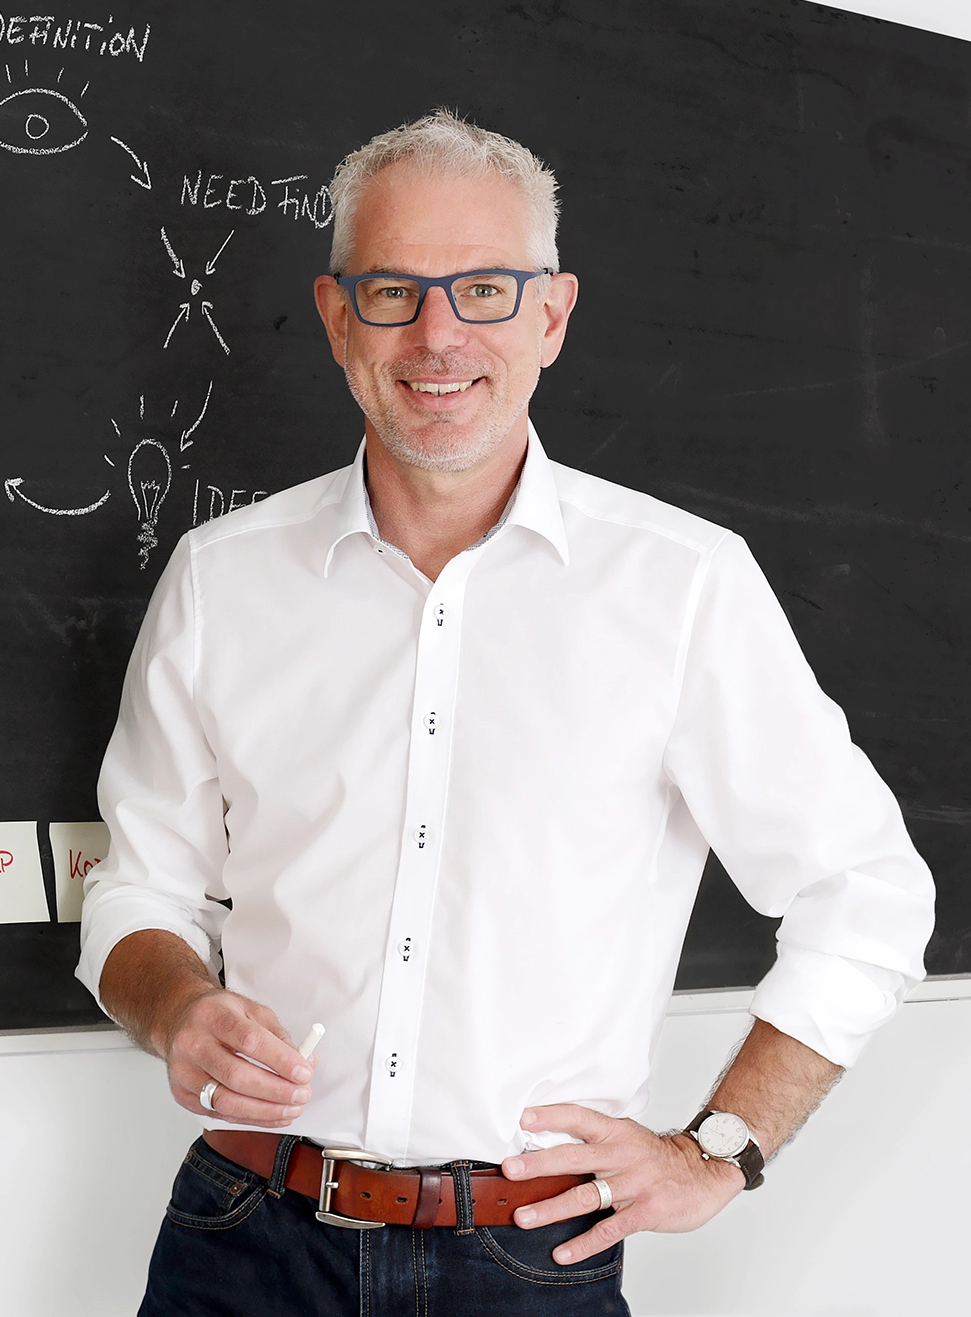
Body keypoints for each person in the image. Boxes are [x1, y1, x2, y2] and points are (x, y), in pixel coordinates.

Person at [74, 110, 935, 1315]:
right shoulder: (222, 580)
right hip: (244, 1238)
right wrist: (177, 1006)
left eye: (484, 290)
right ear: (336, 317)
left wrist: (719, 1151)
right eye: (393, 292)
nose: (439, 336)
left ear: (552, 316)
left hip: (528, 1261)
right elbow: (139, 889)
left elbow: (868, 892)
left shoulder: (682, 587)